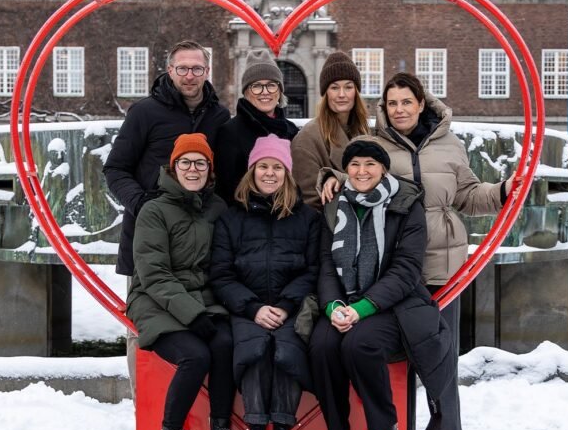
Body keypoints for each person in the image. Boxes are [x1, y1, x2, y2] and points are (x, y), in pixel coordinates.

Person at [371, 72, 514, 430]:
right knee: (400, 352)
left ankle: (445, 429)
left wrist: (502, 192)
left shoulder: (449, 144)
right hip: (397, 263)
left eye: (406, 102)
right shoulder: (373, 143)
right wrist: (330, 179)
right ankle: (401, 427)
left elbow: (467, 195)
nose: (399, 110)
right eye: (392, 103)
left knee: (441, 349)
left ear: (421, 104)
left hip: (443, 259)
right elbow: (357, 180)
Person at [309, 138, 453, 430]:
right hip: (343, 302)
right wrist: (333, 306)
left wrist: (361, 308)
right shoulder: (334, 205)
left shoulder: (405, 205)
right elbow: (326, 262)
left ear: (383, 169)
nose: (362, 171)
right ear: (346, 170)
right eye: (355, 165)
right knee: (321, 346)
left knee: (360, 345)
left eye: (370, 165)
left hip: (393, 305)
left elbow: (405, 269)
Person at [211, 134, 320, 430]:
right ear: (252, 172)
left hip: (290, 309)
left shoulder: (306, 219)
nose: (269, 173)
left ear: (287, 173)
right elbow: (221, 274)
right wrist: (253, 307)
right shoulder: (231, 219)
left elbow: (313, 269)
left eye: (276, 167)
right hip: (247, 308)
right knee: (256, 350)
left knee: (286, 351)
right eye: (263, 167)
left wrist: (287, 305)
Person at [126, 133, 235, 430]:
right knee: (195, 355)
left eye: (200, 163)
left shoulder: (217, 208)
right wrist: (193, 314)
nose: (193, 169)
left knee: (225, 347)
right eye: (185, 162)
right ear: (173, 168)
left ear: (209, 169)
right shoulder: (154, 211)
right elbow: (153, 273)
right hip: (155, 301)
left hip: (204, 299)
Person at [103, 40, 230, 277]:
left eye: (197, 69)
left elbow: (221, 172)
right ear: (170, 70)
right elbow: (115, 168)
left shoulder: (219, 116)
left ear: (207, 72)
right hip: (150, 234)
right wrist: (141, 204)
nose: (189, 76)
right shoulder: (144, 112)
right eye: (182, 68)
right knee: (147, 308)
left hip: (200, 238)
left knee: (198, 310)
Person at [214, 50, 299, 204]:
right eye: (257, 86)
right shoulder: (230, 132)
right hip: (246, 217)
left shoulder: (291, 130)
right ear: (246, 92)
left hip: (286, 214)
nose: (265, 92)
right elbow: (225, 188)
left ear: (280, 91)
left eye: (271, 85)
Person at [290, 51, 370, 209]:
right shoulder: (308, 139)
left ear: (356, 92)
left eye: (348, 87)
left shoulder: (365, 132)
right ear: (325, 93)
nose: (342, 94)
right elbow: (310, 202)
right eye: (334, 88)